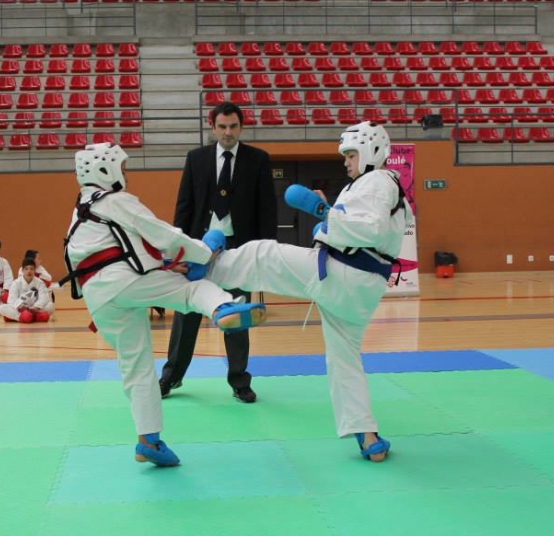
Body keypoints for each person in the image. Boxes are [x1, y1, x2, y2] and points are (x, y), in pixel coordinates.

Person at [202, 121, 412, 462]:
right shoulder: (377, 186)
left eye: (351, 154)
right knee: (344, 359)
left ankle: (202, 264)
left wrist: (323, 213)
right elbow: (360, 227)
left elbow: (369, 230)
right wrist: (330, 215)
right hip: (361, 287)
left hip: (345, 274)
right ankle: (367, 436)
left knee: (262, 255)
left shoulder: (377, 181)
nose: (345, 161)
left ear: (372, 150)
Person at [62, 142, 266, 467]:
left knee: (137, 366)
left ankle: (149, 441)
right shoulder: (116, 201)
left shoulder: (80, 208)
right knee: (192, 290)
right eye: (122, 167)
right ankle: (223, 308)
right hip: (122, 280)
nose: (126, 173)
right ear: (106, 170)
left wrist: (168, 264)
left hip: (99, 298)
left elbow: (124, 247)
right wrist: (204, 251)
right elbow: (162, 234)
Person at [161, 101, 278, 403]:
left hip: (240, 252)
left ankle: (240, 381)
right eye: (222, 127)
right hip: (199, 251)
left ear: (241, 127)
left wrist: (264, 252)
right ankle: (171, 376)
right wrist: (179, 250)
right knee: (186, 315)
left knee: (237, 314)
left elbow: (267, 209)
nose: (228, 132)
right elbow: (184, 207)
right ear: (212, 126)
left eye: (233, 127)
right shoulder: (196, 159)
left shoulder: (258, 160)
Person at [0, 258, 52, 323]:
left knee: (50, 306)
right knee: (1, 307)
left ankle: (25, 317)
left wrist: (36, 307)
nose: (29, 271)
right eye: (26, 269)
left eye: (31, 269)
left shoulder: (40, 283)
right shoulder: (16, 283)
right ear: (22, 270)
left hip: (34, 309)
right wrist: (21, 308)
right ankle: (21, 317)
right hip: (20, 310)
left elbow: (44, 298)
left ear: (35, 270)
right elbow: (12, 300)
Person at [22, 249, 57, 315]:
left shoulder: (40, 268)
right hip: (26, 298)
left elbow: (49, 278)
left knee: (50, 307)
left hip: (39, 298)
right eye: (38, 258)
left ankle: (34, 311)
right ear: (32, 260)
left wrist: (37, 275)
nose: (40, 260)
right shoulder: (22, 270)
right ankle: (30, 311)